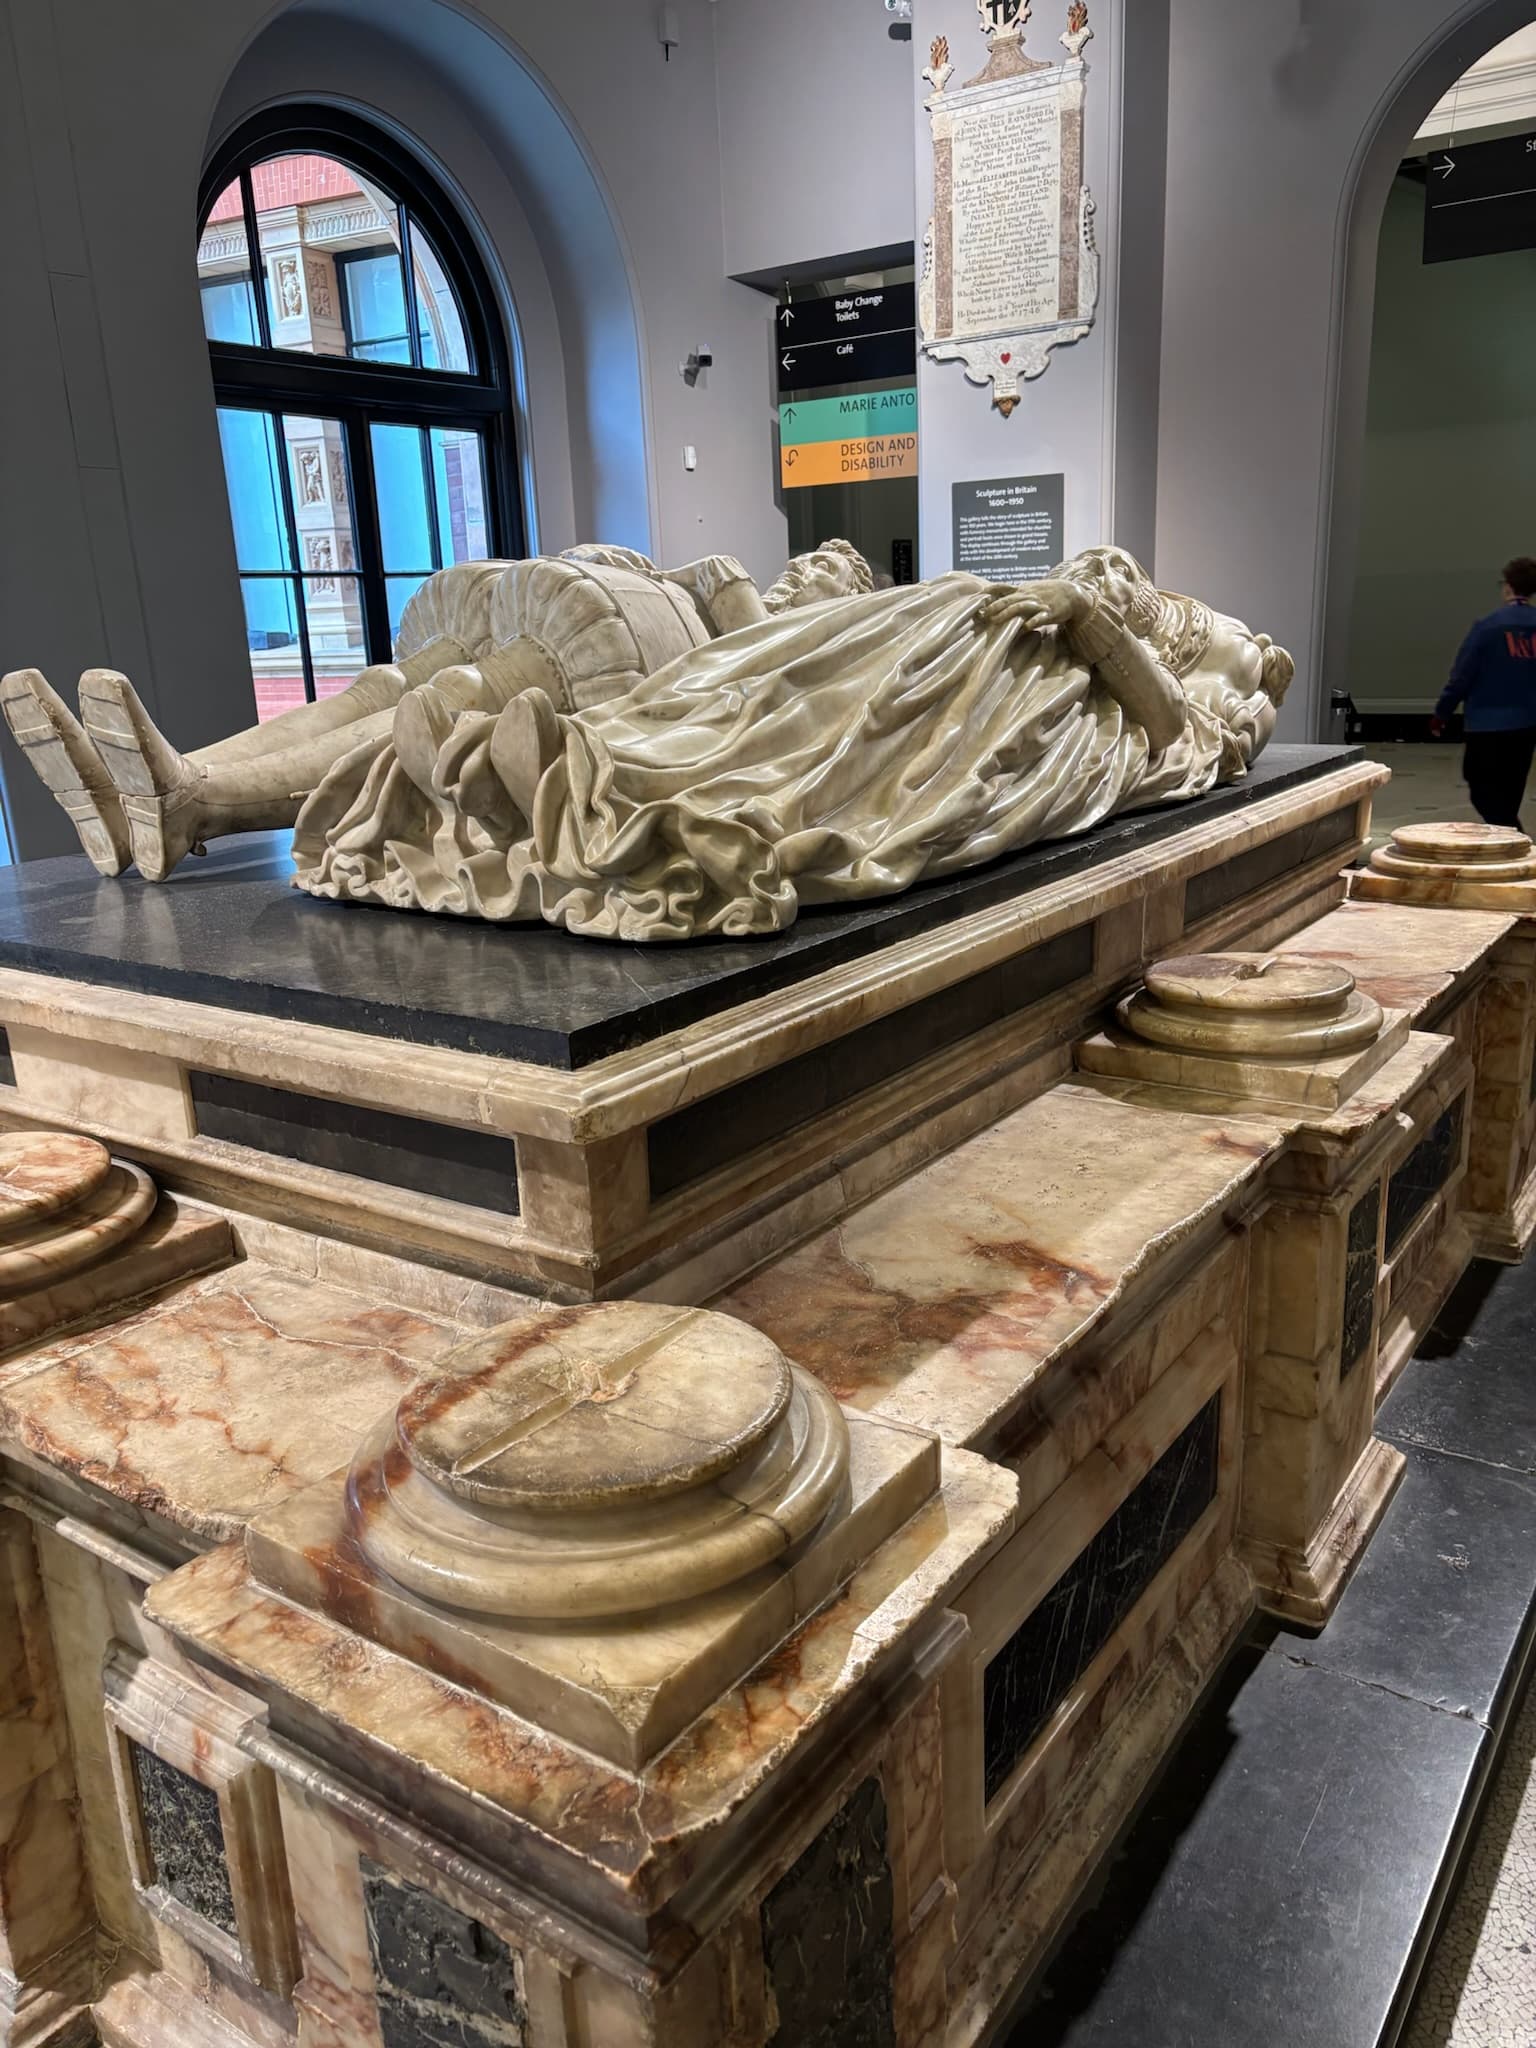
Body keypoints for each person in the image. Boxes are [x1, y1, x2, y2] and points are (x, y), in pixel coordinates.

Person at [292, 548, 1295, 941]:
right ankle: (568, 758)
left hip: (1047, 702)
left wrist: (1095, 626)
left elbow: (1180, 739)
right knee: (776, 683)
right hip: (964, 619)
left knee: (861, 752)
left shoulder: (1229, 676)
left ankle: (584, 794)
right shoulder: (1109, 592)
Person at [0, 543, 872, 882]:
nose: (806, 570)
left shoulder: (808, 639)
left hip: (618, 669)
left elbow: (744, 669)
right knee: (384, 689)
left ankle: (193, 800)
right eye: (809, 561)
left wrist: (722, 584)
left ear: (850, 600)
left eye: (830, 572)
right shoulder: (727, 583)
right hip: (579, 608)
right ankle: (139, 793)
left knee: (442, 709)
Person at [1431, 556, 1536, 826]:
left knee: (1480, 787)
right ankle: (1509, 835)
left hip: (1486, 724)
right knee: (1512, 788)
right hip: (1527, 723)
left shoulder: (1489, 627)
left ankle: (1513, 836)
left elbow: (1462, 675)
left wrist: (1442, 712)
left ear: (1508, 586)